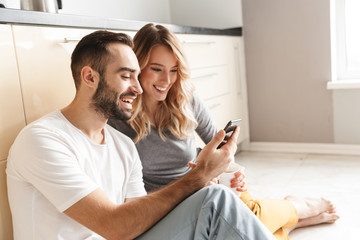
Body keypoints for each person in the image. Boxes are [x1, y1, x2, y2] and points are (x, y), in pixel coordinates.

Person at [6, 30, 276, 240]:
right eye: (126, 76)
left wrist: (201, 186)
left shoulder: (123, 145)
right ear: (89, 77)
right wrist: (197, 177)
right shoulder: (42, 139)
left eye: (137, 76)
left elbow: (139, 222)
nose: (137, 88)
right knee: (216, 203)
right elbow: (114, 226)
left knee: (217, 202)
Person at [108, 23, 340, 240]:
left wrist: (221, 168)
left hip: (207, 185)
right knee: (241, 221)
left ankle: (294, 210)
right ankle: (293, 215)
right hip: (170, 202)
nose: (167, 80)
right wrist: (197, 181)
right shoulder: (121, 118)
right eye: (156, 69)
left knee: (244, 214)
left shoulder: (184, 98)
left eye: (174, 70)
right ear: (137, 67)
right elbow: (127, 198)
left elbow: (217, 141)